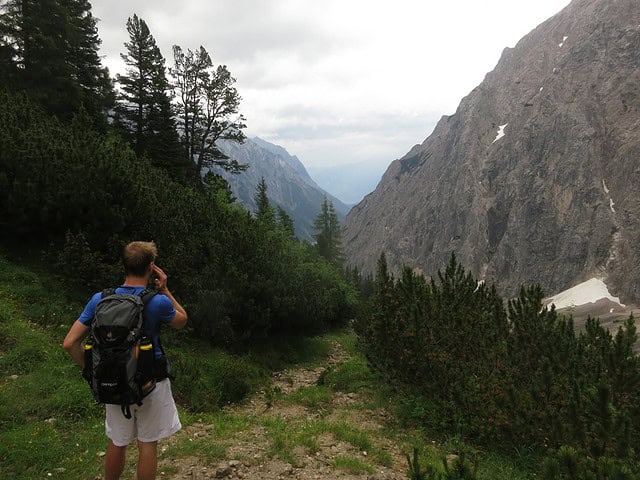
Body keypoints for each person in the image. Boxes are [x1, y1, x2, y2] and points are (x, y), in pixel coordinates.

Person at [63, 241, 188, 480]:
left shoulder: (100, 299)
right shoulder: (156, 301)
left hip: (113, 382)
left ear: (125, 266)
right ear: (151, 268)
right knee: (147, 444)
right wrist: (165, 290)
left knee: (117, 442)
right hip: (151, 383)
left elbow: (70, 343)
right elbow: (182, 320)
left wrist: (96, 372)